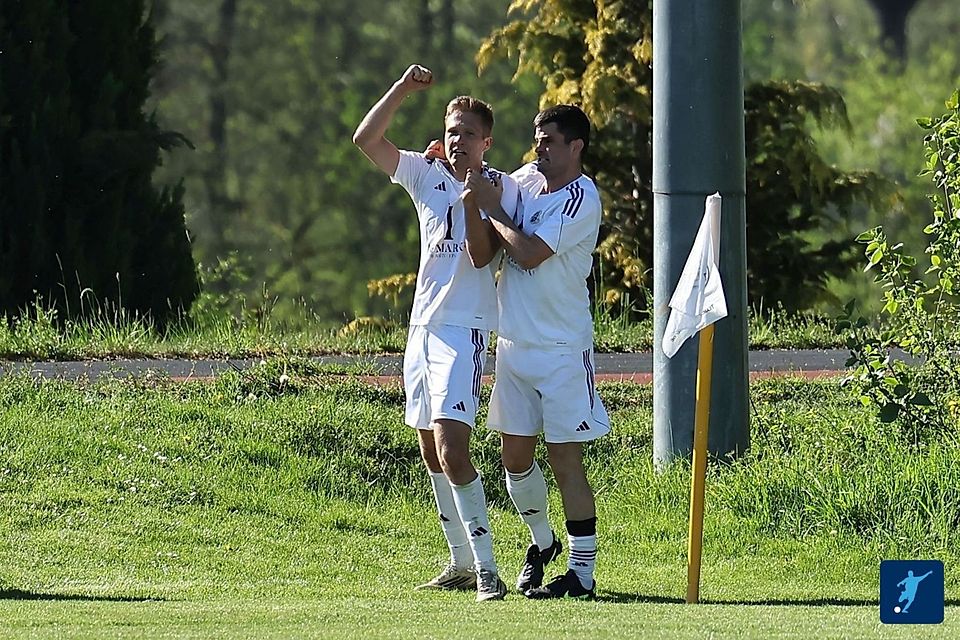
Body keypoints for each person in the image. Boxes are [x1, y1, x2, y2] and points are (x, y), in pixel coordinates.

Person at [352, 64, 516, 602]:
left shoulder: (497, 188)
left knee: (453, 450)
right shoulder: (426, 175)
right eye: (452, 131)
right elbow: (366, 139)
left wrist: (473, 199)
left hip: (463, 330)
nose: (457, 139)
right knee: (429, 452)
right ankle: (461, 562)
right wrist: (401, 87)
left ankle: (489, 569)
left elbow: (479, 254)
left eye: (468, 133)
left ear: (486, 142)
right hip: (421, 329)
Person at [467, 105, 610, 600]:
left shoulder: (581, 198)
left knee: (565, 459)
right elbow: (481, 179)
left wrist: (493, 211)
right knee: (514, 460)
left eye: (550, 141)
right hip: (513, 346)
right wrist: (448, 155)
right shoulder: (526, 177)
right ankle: (542, 544)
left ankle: (582, 574)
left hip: (562, 350)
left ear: (576, 147)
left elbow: (527, 255)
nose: (540, 148)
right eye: (537, 138)